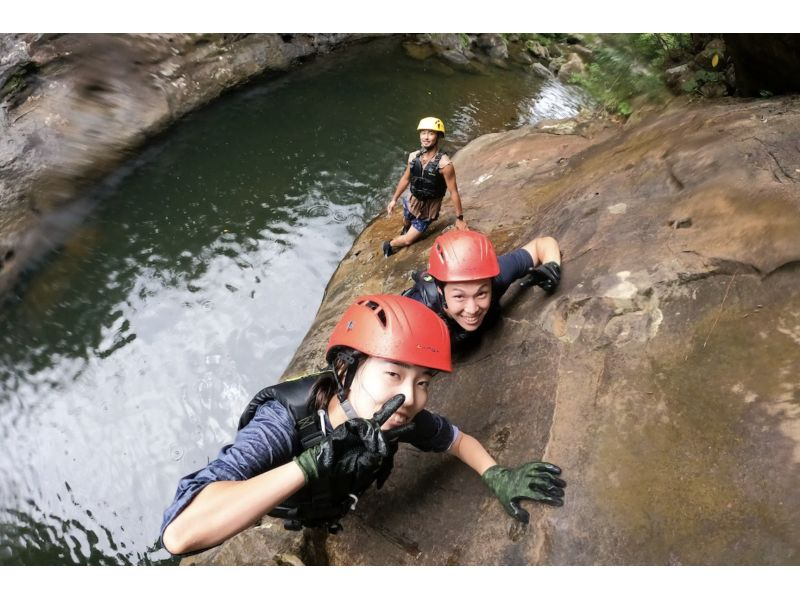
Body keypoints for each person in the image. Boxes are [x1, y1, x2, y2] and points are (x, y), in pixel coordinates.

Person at [160, 295, 565, 556]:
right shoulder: (284, 421)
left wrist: (495, 473)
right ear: (344, 368)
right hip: (287, 507)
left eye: (423, 382)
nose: (410, 397)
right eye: (393, 374)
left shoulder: (395, 418)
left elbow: (456, 440)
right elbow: (180, 534)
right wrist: (310, 464)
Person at [402, 230, 562, 349]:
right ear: (440, 291)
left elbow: (543, 244)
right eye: (459, 296)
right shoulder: (417, 312)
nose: (472, 309)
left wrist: (552, 265)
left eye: (481, 293)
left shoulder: (494, 277)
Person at [383, 117, 468, 257]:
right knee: (406, 220)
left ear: (438, 136)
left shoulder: (444, 165)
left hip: (428, 210)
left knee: (408, 240)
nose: (426, 137)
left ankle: (389, 245)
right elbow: (405, 178)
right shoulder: (413, 157)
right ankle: (406, 227)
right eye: (423, 133)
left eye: (431, 133)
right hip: (412, 201)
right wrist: (393, 199)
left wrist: (459, 218)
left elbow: (453, 192)